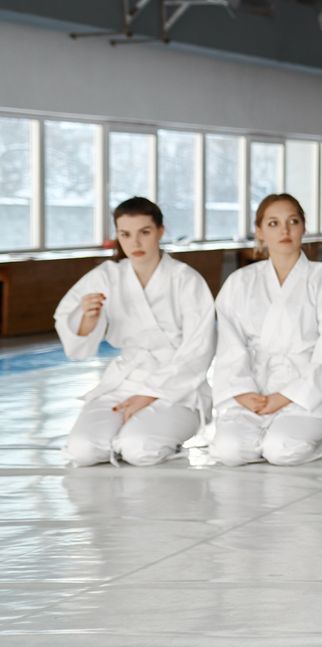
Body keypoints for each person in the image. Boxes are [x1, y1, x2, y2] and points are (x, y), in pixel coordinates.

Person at [54, 196, 215, 466]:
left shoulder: (186, 279)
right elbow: (74, 337)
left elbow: (199, 349)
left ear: (160, 231)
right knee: (83, 450)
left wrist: (150, 394)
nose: (135, 243)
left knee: (139, 448)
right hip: (125, 381)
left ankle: (140, 437)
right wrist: (88, 319)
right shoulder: (107, 276)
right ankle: (120, 436)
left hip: (178, 388)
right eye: (125, 234)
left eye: (145, 232)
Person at [206, 194, 322, 466]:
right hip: (255, 391)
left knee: (281, 450)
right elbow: (229, 346)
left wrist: (286, 397)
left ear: (303, 227)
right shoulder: (240, 282)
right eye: (273, 223)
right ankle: (259, 437)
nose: (284, 230)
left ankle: (314, 443)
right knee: (229, 450)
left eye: (292, 221)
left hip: (308, 393)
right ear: (260, 231)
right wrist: (242, 392)